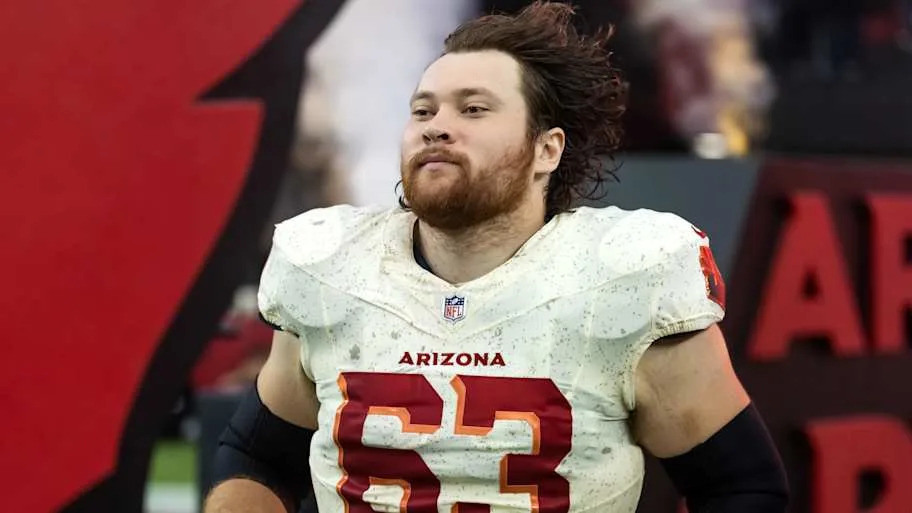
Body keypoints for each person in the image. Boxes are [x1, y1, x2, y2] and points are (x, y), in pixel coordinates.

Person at [203, 2, 789, 512]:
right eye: (423, 110)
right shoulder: (332, 268)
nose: (437, 128)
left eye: (473, 109)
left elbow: (741, 486)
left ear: (546, 149)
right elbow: (257, 456)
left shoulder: (625, 278)